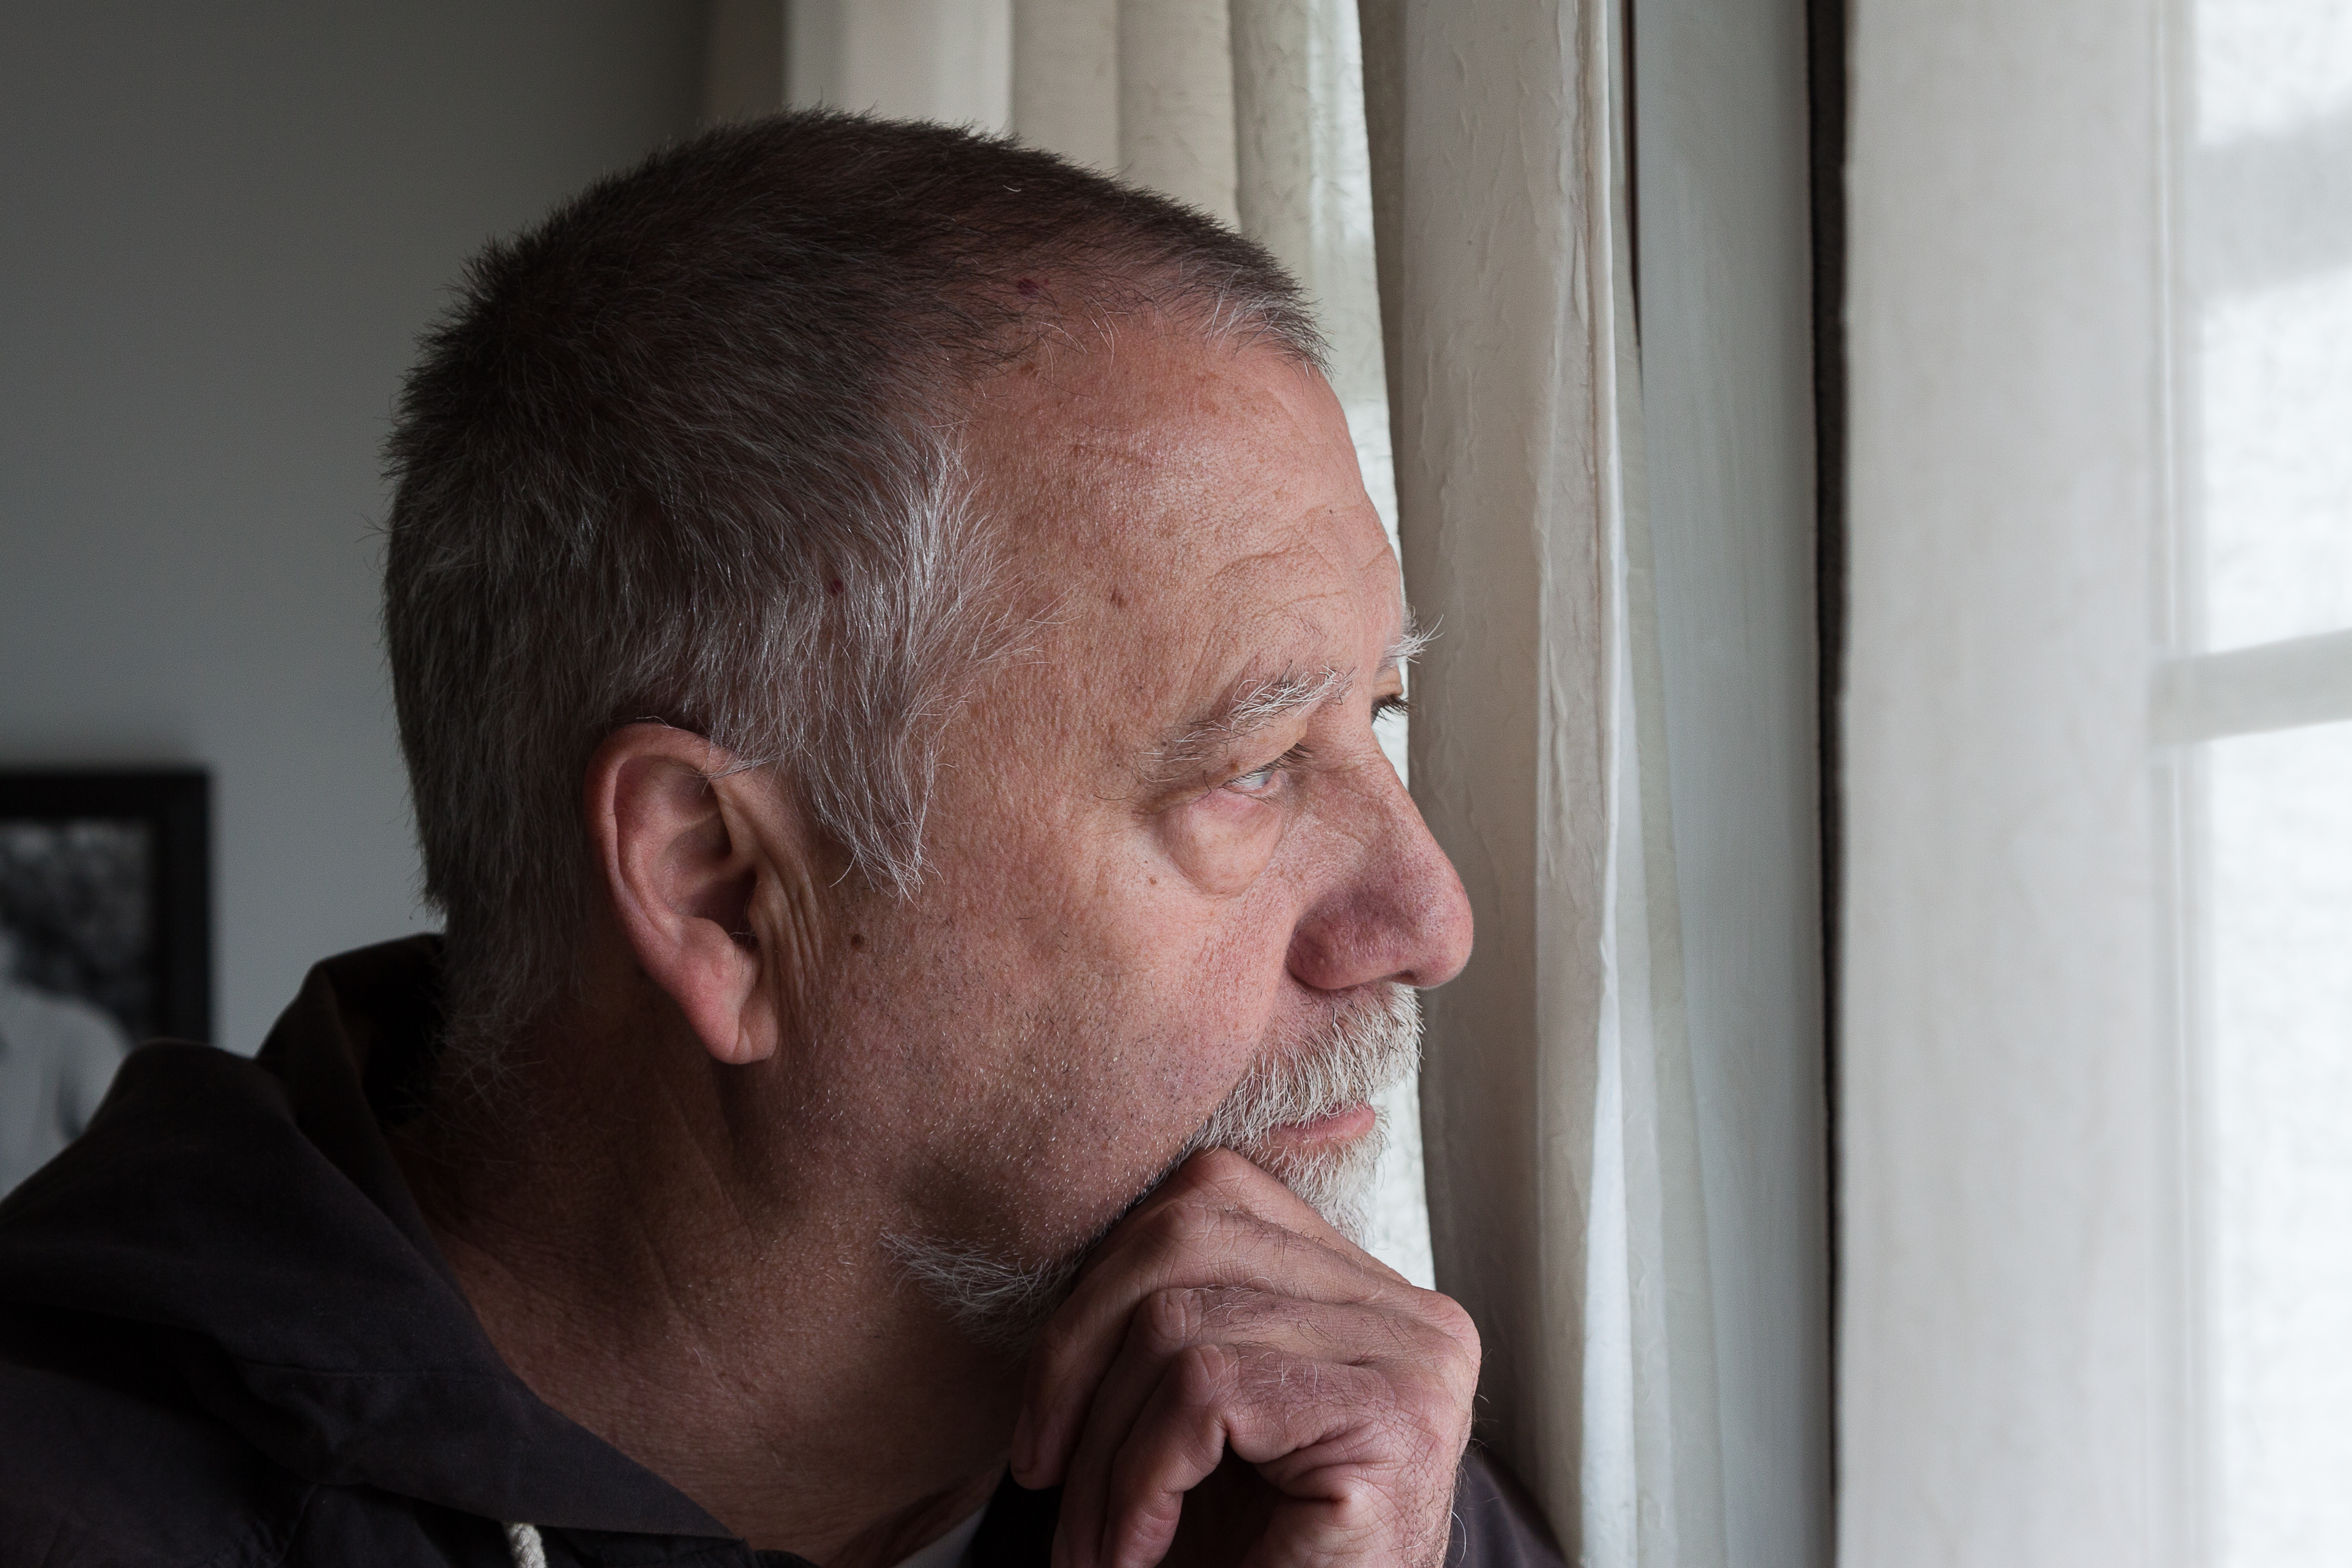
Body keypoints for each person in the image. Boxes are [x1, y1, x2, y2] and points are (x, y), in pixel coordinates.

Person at [0, 112, 1559, 1568]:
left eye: (1382, 714)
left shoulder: (1333, 1463)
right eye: (1261, 764)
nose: (1428, 916)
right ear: (722, 893)